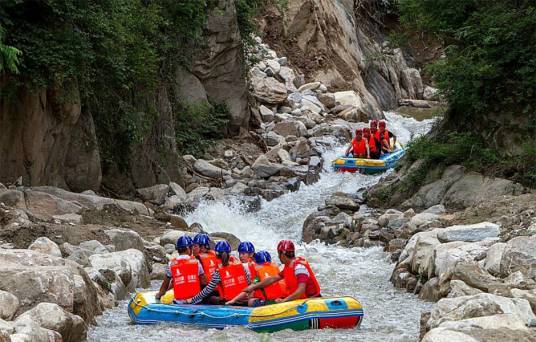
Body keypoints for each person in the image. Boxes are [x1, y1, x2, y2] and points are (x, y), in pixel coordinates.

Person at [238, 240, 321, 303]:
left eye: (278, 254)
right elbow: (272, 279)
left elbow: (300, 291)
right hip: (300, 301)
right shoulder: (288, 267)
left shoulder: (299, 267)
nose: (278, 256)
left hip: (312, 301)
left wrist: (284, 301)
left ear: (282, 254)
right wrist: (253, 287)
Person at [184, 240, 251, 305]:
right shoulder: (241, 266)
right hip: (244, 300)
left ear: (216, 255)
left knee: (209, 298)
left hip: (230, 302)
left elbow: (207, 290)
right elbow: (248, 282)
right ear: (229, 254)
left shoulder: (218, 272)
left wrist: (192, 300)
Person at [155, 235, 207, 302]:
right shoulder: (197, 262)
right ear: (188, 249)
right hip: (196, 301)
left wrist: (159, 295)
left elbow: (165, 285)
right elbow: (204, 282)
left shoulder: (171, 264)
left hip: (179, 302)